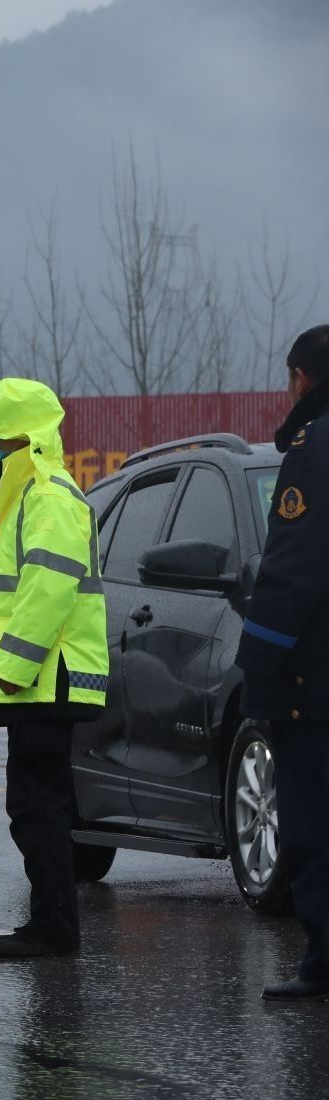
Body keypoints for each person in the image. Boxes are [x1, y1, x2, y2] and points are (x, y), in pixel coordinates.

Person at [0, 378, 110, 960]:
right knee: (40, 802)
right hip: (41, 677)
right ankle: (52, 922)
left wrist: (13, 666)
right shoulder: (29, 496)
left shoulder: (47, 497)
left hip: (47, 677)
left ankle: (54, 928)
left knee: (36, 805)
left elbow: (47, 591)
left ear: (20, 438)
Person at [233, 325, 329, 1001]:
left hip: (316, 681)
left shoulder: (312, 448)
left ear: (300, 379)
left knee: (313, 820)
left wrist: (259, 666)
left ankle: (323, 963)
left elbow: (292, 570)